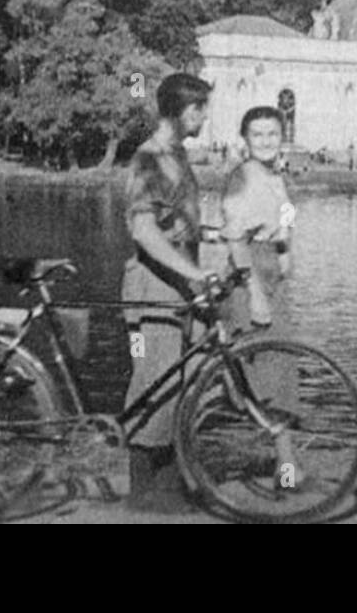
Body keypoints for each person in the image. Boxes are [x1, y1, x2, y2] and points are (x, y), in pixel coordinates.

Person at [120, 73, 222, 499]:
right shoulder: (149, 158)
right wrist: (195, 273)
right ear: (181, 111)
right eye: (199, 109)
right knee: (156, 382)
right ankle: (145, 494)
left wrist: (211, 234)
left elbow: (174, 220)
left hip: (180, 280)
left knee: (192, 377)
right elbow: (144, 231)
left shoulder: (176, 154)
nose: (204, 116)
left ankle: (172, 479)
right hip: (155, 285)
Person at [220, 105, 302, 486]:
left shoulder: (275, 176)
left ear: (281, 138)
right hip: (250, 274)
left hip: (272, 273)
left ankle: (286, 466)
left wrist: (285, 255)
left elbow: (285, 220)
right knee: (262, 376)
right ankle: (285, 467)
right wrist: (254, 292)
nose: (266, 141)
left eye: (272, 134)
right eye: (258, 135)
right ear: (246, 140)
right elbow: (236, 240)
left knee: (279, 372)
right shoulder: (243, 178)